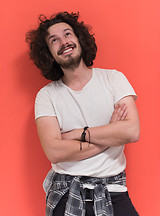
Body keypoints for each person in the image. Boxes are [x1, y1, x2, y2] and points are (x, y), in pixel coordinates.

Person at [25, 12, 140, 216]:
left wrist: (78, 133)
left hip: (113, 190)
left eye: (68, 34)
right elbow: (54, 151)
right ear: (49, 53)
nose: (64, 42)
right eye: (54, 40)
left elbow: (131, 132)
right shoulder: (46, 96)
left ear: (79, 38)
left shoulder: (114, 79)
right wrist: (110, 136)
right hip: (66, 192)